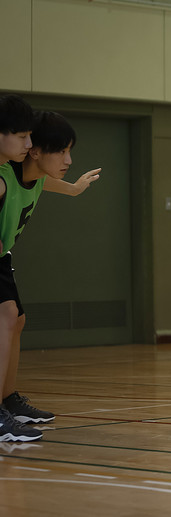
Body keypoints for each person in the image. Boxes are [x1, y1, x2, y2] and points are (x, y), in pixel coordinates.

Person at [0, 108, 101, 442]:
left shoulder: (36, 177)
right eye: (61, 150)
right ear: (35, 151)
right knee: (7, 316)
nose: (68, 159)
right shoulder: (3, 176)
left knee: (17, 320)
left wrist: (73, 189)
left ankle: (8, 398)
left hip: (2, 257)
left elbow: (44, 183)